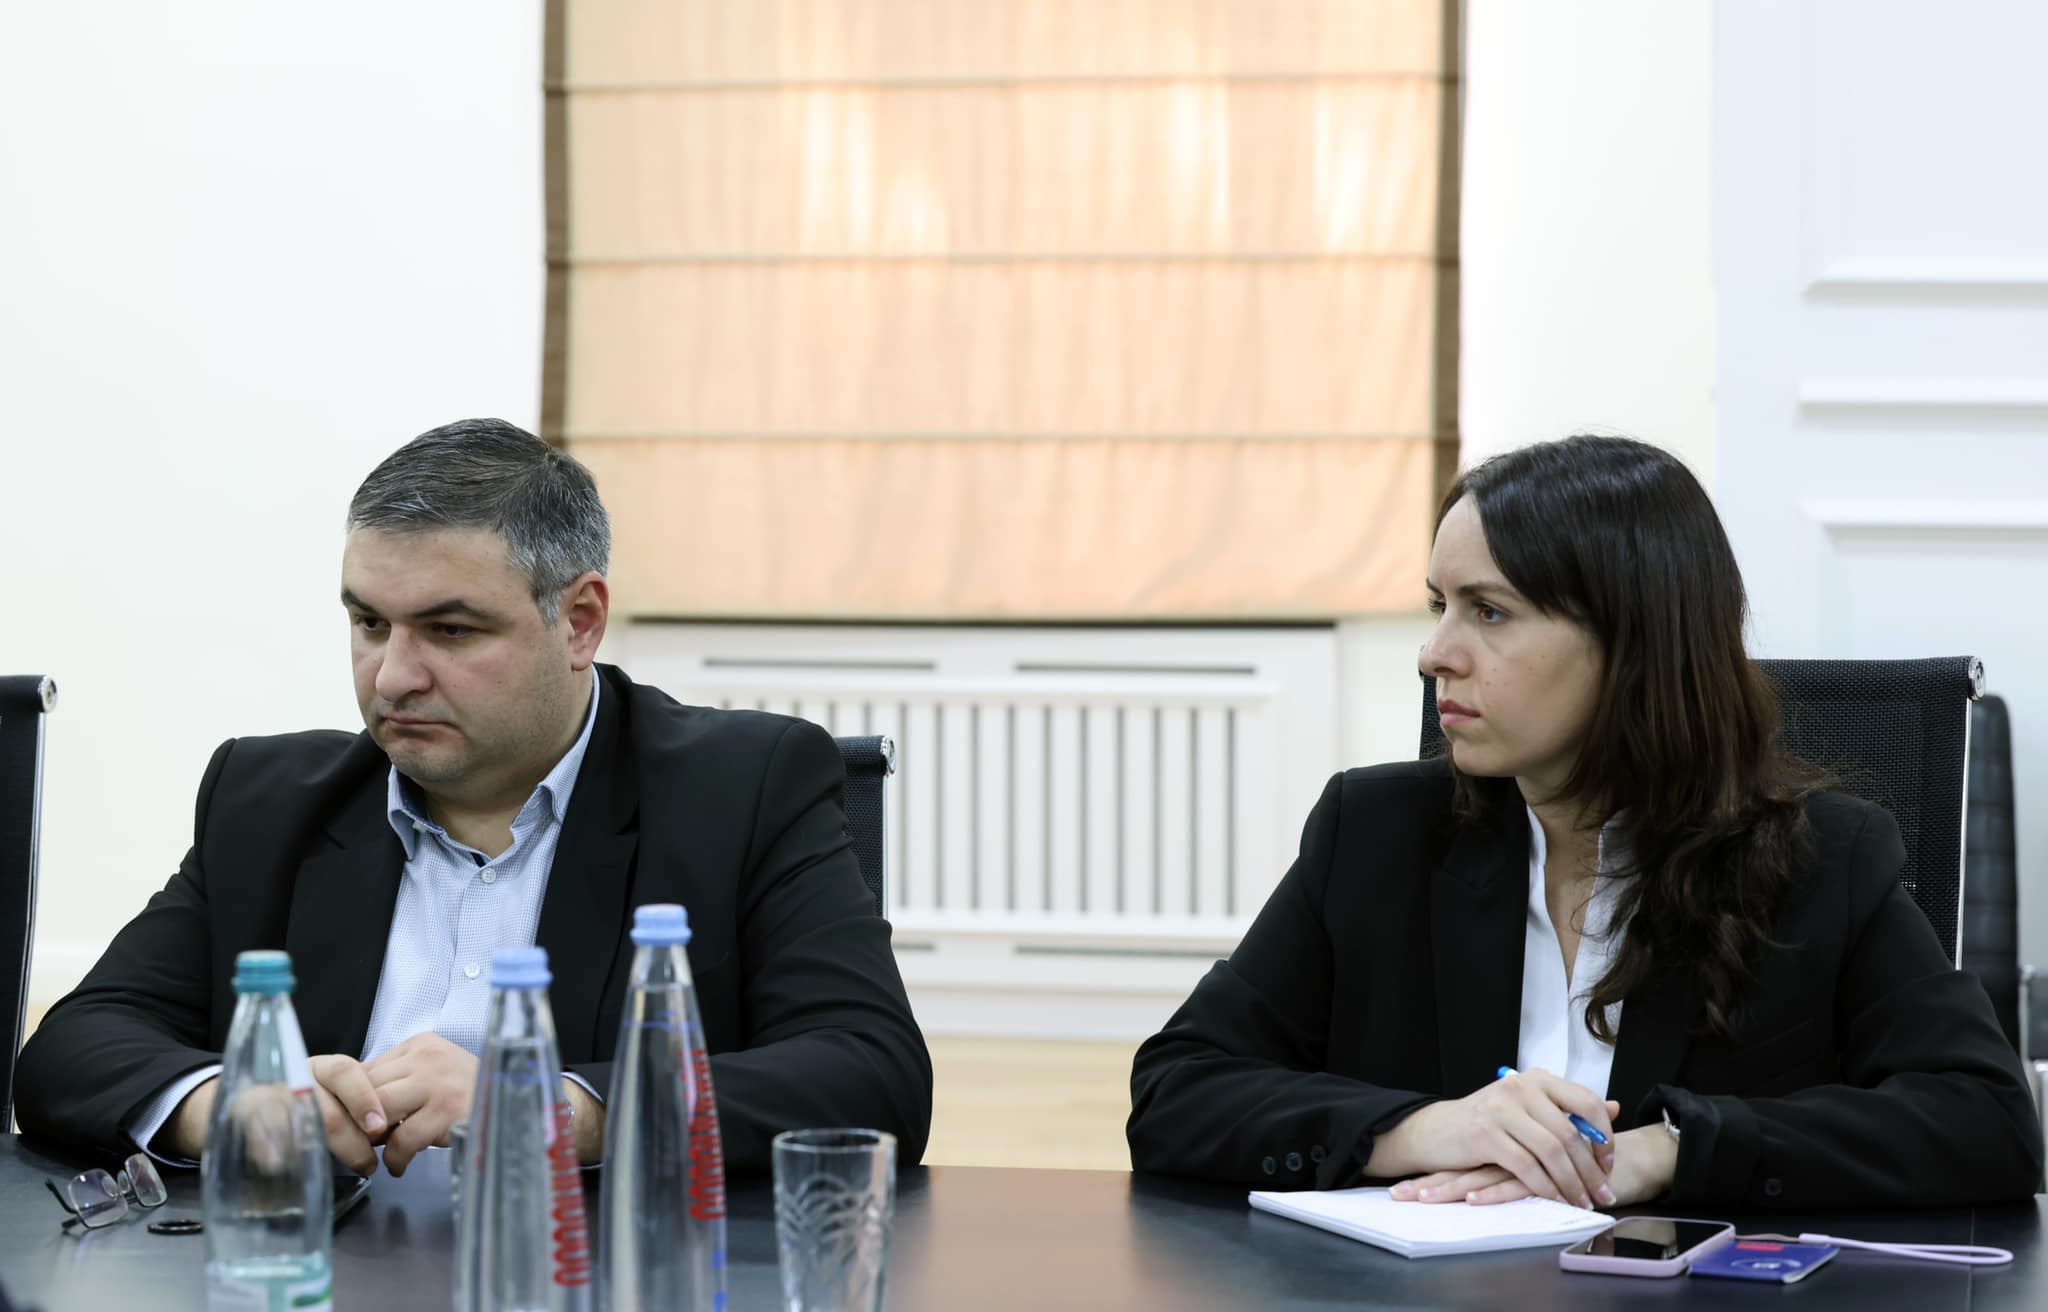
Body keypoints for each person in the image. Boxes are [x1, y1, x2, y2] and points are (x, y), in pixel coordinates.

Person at [1126, 434, 2042, 1210]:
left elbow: (1985, 1121)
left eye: (1489, 612)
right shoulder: (1373, 832)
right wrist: (1421, 1130)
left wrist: (1666, 1149)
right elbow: (1178, 1089)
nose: (1435, 654)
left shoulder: (1819, 858)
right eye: (1441, 607)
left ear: (1635, 643)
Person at [16, 419, 932, 1178]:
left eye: (450, 630)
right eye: (369, 622)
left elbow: (870, 1072)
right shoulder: (267, 800)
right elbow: (76, 1047)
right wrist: (232, 1107)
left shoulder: (745, 787)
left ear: (579, 622)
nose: (393, 676)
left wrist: (558, 1112)